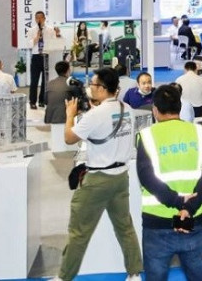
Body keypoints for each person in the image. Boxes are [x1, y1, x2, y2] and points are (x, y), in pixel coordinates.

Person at [51, 68, 142, 281]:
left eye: (92, 84)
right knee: (125, 227)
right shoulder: (127, 109)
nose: (89, 87)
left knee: (79, 231)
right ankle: (134, 273)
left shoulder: (95, 115)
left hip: (98, 180)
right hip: (121, 177)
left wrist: (70, 115)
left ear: (101, 88)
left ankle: (63, 277)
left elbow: (69, 138)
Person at [136, 84, 202, 281]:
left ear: (155, 110)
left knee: (156, 275)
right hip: (193, 218)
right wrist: (188, 207)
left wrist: (176, 201)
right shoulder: (200, 133)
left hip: (157, 220)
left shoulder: (146, 136)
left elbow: (146, 177)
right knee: (197, 271)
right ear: (179, 107)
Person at [26, 11, 62, 110]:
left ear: (44, 18)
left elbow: (54, 43)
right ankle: (32, 102)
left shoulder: (50, 30)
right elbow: (29, 44)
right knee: (34, 80)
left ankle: (42, 100)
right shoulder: (31, 30)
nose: (39, 20)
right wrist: (37, 37)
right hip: (36, 56)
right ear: (35, 19)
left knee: (45, 81)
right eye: (37, 18)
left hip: (46, 56)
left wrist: (57, 34)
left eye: (41, 18)